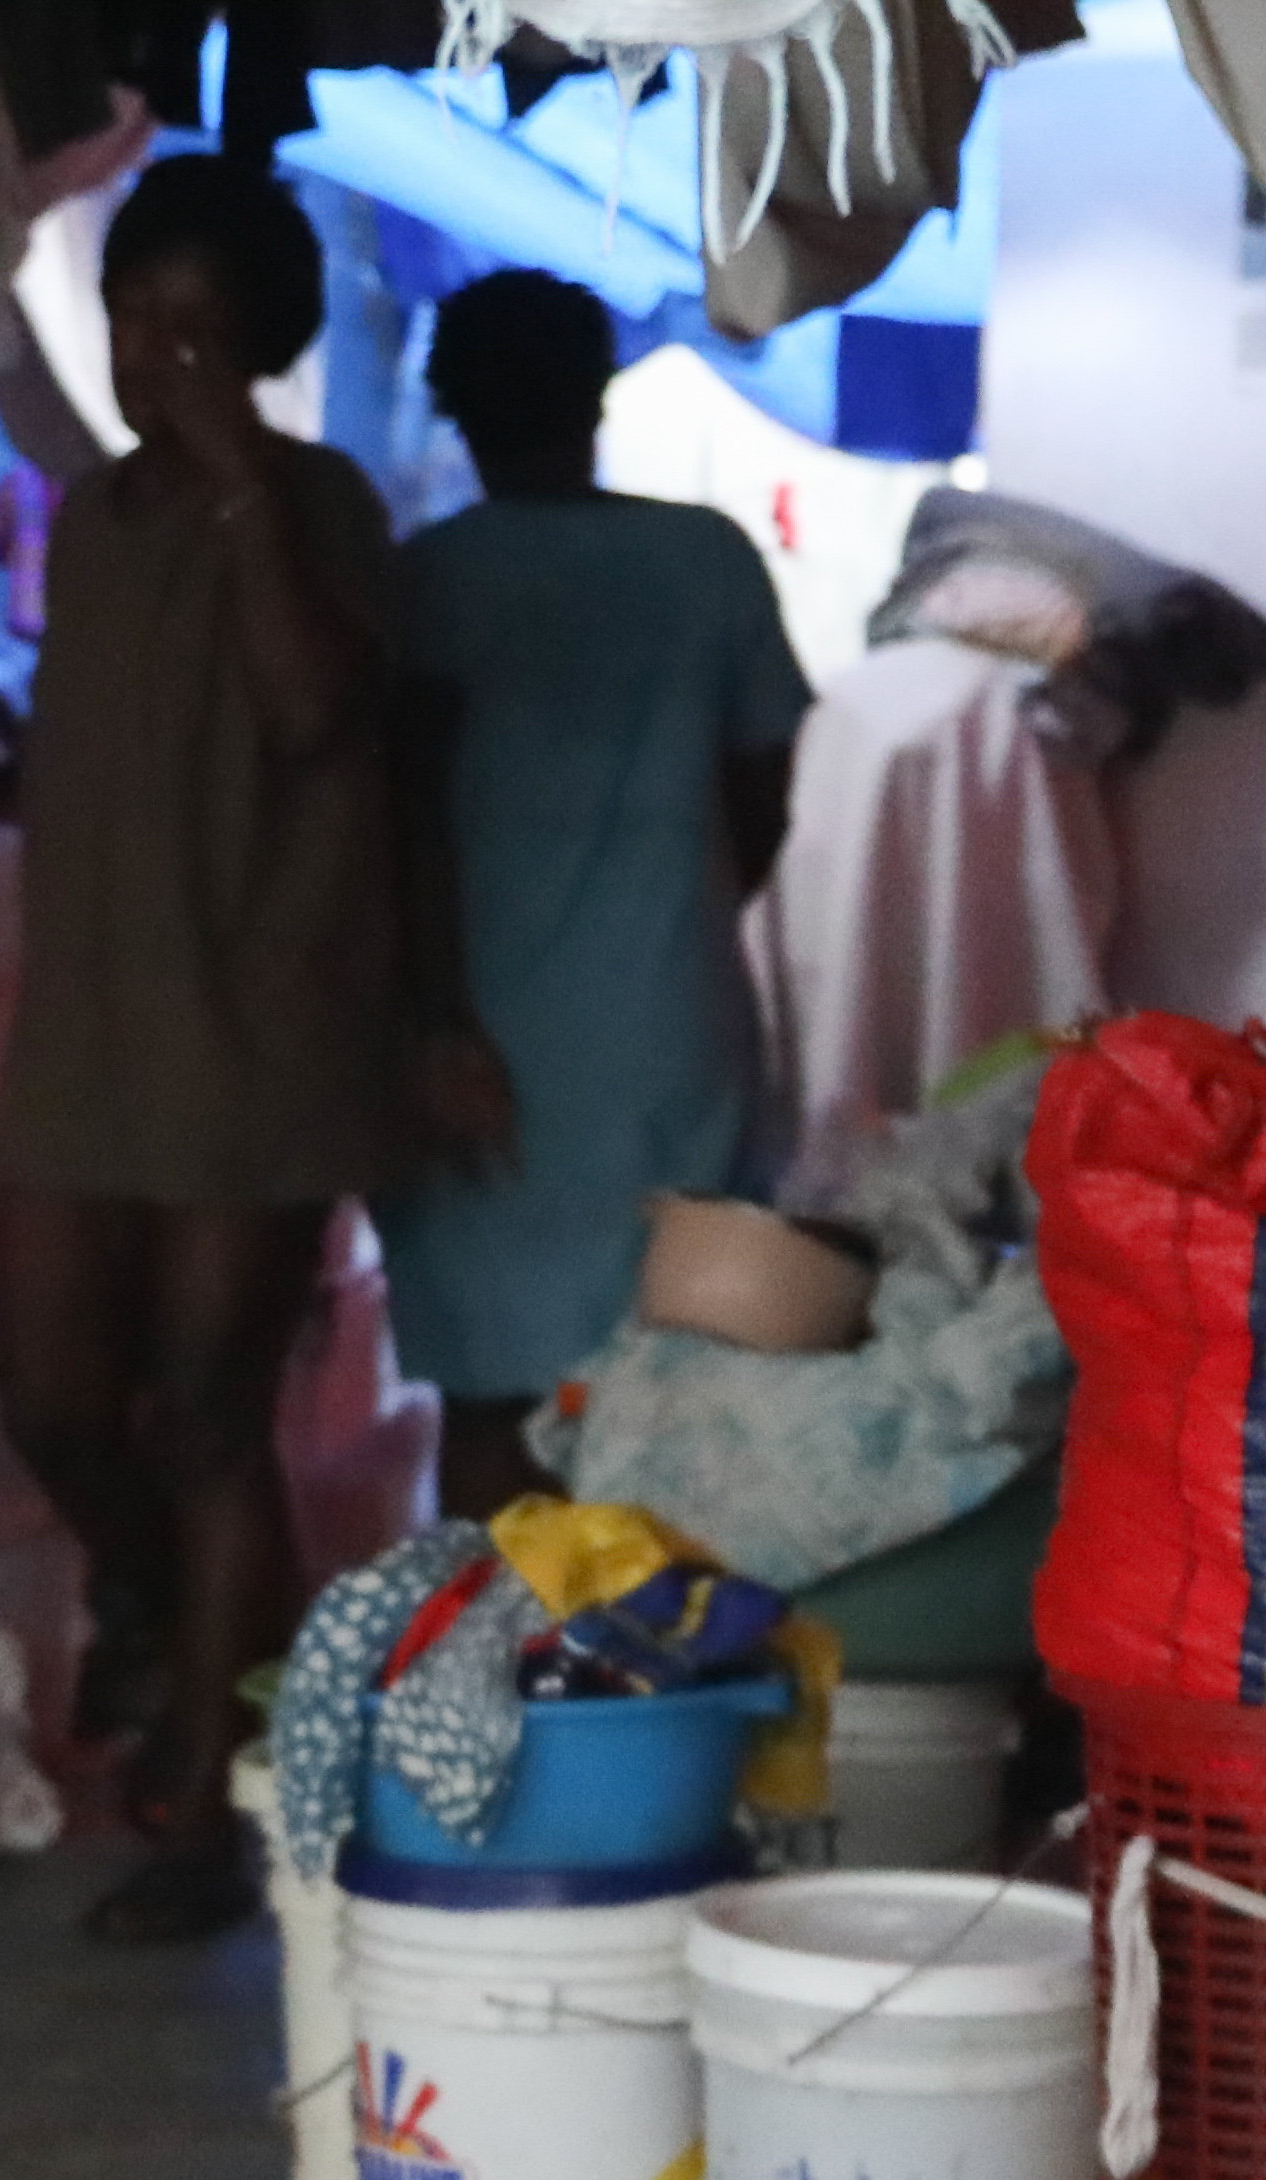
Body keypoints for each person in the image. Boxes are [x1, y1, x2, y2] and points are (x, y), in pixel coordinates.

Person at [0, 153, 405, 1944]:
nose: (155, 359)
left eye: (195, 332)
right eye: (132, 320)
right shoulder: (92, 520)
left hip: (260, 1025)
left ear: (265, 348)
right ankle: (178, 1628)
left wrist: (243, 482)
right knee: (55, 1398)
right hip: (88, 1019)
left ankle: (202, 1826)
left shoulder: (326, 507)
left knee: (213, 1411)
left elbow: (318, 715)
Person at [384, 269, 811, 1518]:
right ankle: (644, 1681)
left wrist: (430, 1021)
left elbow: (393, 821)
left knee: (487, 1404)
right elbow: (766, 796)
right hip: (667, 1020)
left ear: (451, 408)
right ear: (599, 393)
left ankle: (493, 1690)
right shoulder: (706, 561)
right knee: (671, 1398)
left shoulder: (425, 585)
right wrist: (674, 901)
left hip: (469, 1032)